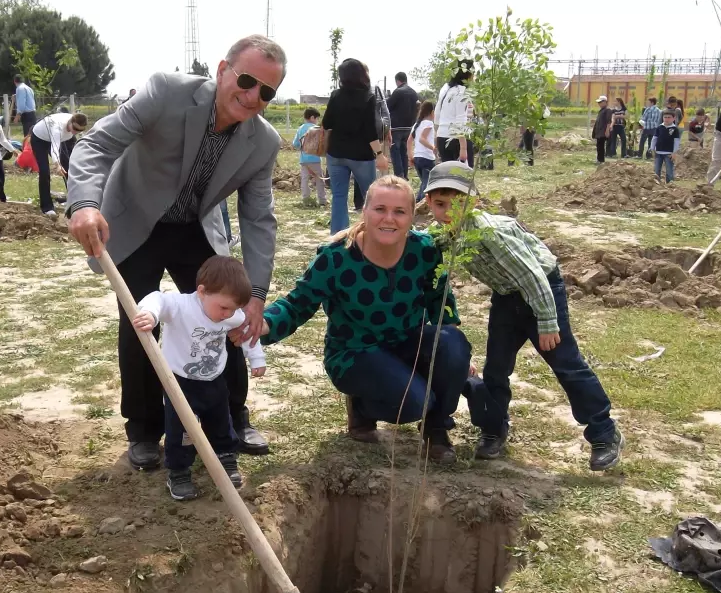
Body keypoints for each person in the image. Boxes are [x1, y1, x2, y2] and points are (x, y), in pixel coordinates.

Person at [67, 34, 284, 469]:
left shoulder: (263, 142)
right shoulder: (167, 92)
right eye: (246, 80)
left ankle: (232, 417)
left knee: (226, 315)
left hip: (192, 227)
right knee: (141, 323)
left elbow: (258, 219)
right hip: (135, 221)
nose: (253, 95)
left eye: (267, 91)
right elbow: (96, 145)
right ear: (223, 69)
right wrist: (85, 205)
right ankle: (145, 430)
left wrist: (256, 295)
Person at [424, 163, 623, 470]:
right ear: (429, 204)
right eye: (440, 204)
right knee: (496, 368)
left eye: (457, 203)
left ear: (473, 202)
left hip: (541, 290)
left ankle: (604, 432)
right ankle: (494, 428)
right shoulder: (446, 233)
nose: (449, 211)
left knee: (566, 364)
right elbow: (423, 240)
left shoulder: (493, 234)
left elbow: (532, 277)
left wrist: (546, 322)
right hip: (506, 296)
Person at [261, 174, 470, 464]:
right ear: (365, 211)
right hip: (354, 353)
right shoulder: (336, 258)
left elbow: (440, 301)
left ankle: (436, 429)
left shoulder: (424, 251)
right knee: (414, 402)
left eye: (399, 212)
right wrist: (263, 324)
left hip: (407, 343)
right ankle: (362, 407)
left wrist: (457, 360)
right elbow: (296, 304)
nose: (389, 219)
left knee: (452, 343)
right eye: (380, 209)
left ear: (412, 216)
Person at [132, 256, 267, 500]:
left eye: (233, 309)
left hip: (214, 379)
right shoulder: (181, 306)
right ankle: (179, 471)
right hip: (180, 383)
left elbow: (246, 331)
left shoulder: (230, 314)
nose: (228, 315)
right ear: (202, 291)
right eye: (224, 308)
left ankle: (226, 456)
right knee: (181, 428)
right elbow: (157, 298)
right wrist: (150, 314)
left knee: (220, 420)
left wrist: (256, 358)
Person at [323, 58, 388, 235]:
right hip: (360, 156)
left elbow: (326, 122)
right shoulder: (368, 97)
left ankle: (338, 237)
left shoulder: (335, 95)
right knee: (371, 196)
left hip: (335, 153)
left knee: (338, 197)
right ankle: (370, 233)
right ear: (362, 74)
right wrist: (380, 154)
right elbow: (370, 131)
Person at [31, 111, 88, 218]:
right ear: (70, 122)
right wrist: (57, 165)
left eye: (80, 130)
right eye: (75, 129)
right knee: (44, 171)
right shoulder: (57, 128)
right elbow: (54, 149)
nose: (76, 132)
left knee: (70, 167)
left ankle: (75, 202)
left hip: (61, 138)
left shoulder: (74, 127)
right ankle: (47, 207)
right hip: (39, 139)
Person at [433, 59, 475, 165]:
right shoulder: (462, 91)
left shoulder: (445, 89)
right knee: (463, 178)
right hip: (457, 141)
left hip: (442, 137)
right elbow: (460, 121)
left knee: (449, 177)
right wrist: (464, 148)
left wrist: (436, 139)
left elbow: (437, 115)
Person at [387, 71, 419, 180]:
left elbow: (388, 106)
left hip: (396, 127)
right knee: (403, 152)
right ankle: (405, 175)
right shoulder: (414, 93)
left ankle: (399, 176)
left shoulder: (398, 92)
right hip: (409, 127)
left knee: (395, 152)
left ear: (397, 81)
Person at [292, 107, 326, 207]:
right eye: (317, 119)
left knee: (304, 179)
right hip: (315, 159)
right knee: (319, 179)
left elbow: (295, 144)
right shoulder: (317, 129)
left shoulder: (300, 128)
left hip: (303, 160)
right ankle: (322, 200)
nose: (317, 121)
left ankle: (306, 199)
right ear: (312, 117)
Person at [408, 101, 436, 201]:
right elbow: (422, 139)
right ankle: (419, 203)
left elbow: (409, 142)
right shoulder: (429, 123)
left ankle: (417, 203)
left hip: (417, 158)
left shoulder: (416, 125)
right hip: (427, 158)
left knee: (424, 183)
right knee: (427, 185)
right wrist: (433, 148)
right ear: (432, 112)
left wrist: (410, 156)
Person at [651, 110, 681, 183]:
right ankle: (656, 184)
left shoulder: (675, 129)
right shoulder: (659, 128)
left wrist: (674, 152)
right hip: (658, 152)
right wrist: (652, 149)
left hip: (669, 153)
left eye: (669, 117)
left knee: (669, 171)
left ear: (673, 118)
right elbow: (654, 139)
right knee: (656, 170)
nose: (667, 119)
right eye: (665, 117)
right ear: (662, 118)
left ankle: (670, 185)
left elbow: (676, 142)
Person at [591, 95, 612, 164]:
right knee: (599, 146)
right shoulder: (601, 111)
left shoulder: (608, 110)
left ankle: (601, 160)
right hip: (599, 131)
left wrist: (607, 131)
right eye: (599, 102)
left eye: (600, 102)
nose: (599, 104)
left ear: (605, 102)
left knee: (601, 146)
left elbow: (609, 121)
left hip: (603, 131)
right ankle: (599, 159)